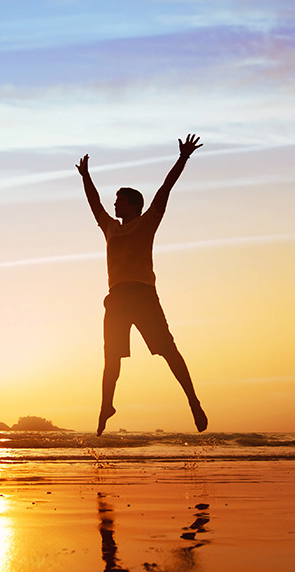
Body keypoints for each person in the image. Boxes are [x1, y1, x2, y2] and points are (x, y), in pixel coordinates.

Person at [76, 134, 208, 435]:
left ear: (134, 205)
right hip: (116, 298)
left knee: (168, 350)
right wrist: (86, 176)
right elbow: (94, 203)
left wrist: (183, 158)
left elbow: (165, 189)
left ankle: (193, 401)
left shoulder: (147, 222)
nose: (114, 204)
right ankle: (106, 405)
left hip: (143, 295)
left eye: (119, 201)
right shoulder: (110, 228)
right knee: (111, 358)